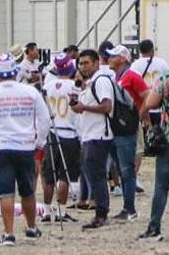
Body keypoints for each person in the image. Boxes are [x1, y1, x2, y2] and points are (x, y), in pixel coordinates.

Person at [0, 53, 50, 246]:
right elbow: (44, 119)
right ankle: (31, 227)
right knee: (27, 190)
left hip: (0, 146)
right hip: (25, 145)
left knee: (5, 192)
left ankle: (9, 233)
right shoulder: (30, 92)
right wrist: (40, 143)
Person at [71, 49, 114, 230]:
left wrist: (84, 107)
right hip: (90, 134)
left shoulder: (101, 81)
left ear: (96, 63)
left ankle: (101, 212)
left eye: (86, 63)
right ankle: (100, 210)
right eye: (80, 63)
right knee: (91, 172)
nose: (83, 67)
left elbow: (106, 106)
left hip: (99, 134)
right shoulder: (90, 83)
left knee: (96, 174)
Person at [105, 45, 148, 222]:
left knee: (127, 169)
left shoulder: (132, 76)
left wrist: (139, 116)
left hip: (127, 128)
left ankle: (129, 208)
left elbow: (147, 96)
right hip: (117, 128)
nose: (109, 59)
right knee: (121, 168)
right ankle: (127, 206)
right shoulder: (116, 77)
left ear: (123, 58)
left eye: (113, 56)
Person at [41, 53, 81, 225]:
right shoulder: (74, 86)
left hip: (51, 131)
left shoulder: (47, 86)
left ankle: (46, 211)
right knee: (64, 176)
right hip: (70, 133)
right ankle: (61, 211)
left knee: (49, 175)